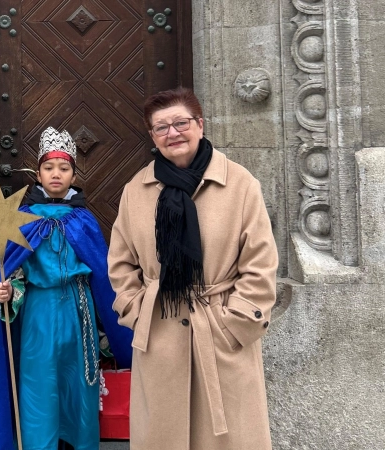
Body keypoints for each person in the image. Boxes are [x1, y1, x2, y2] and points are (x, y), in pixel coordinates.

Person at [108, 87, 278, 449]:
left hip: (221, 333)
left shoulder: (240, 184)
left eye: (181, 122)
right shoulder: (136, 189)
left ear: (200, 125)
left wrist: (237, 324)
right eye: (161, 127)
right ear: (153, 137)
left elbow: (260, 264)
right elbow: (121, 262)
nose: (173, 133)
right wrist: (136, 311)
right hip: (161, 336)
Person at [0, 127, 134, 450]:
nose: (56, 174)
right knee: (38, 388)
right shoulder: (23, 219)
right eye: (49, 168)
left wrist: (109, 326)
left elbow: (101, 276)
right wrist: (10, 294)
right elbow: (16, 272)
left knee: (79, 390)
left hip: (78, 314)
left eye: (64, 168)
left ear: (73, 174)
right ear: (38, 173)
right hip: (38, 314)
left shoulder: (83, 220)